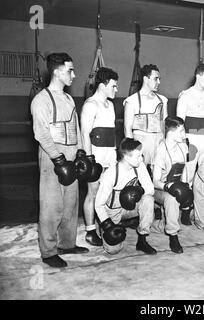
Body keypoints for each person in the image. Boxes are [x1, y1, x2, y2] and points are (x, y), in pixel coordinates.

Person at [30, 52, 89, 268]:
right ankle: (48, 251)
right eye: (70, 70)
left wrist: (80, 151)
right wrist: (57, 159)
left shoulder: (68, 98)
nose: (74, 74)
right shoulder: (41, 100)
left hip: (71, 153)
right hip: (52, 156)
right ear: (57, 71)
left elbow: (76, 127)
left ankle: (67, 243)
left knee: (70, 203)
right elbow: (41, 133)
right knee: (51, 205)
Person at [94, 138, 157, 255]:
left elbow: (151, 188)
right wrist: (107, 224)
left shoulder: (139, 166)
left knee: (148, 199)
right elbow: (98, 205)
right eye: (138, 156)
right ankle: (106, 225)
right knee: (113, 250)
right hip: (113, 211)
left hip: (131, 208)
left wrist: (140, 190)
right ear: (127, 157)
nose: (141, 159)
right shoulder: (111, 174)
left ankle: (142, 240)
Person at [80, 67, 119, 246]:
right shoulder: (90, 105)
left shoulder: (110, 105)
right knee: (93, 194)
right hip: (95, 156)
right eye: (113, 86)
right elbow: (85, 134)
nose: (116, 90)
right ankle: (90, 231)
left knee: (108, 192)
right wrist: (89, 160)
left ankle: (106, 224)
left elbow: (111, 133)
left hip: (110, 154)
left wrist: (115, 155)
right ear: (103, 85)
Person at [152, 117, 196, 254]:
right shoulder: (160, 150)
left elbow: (183, 170)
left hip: (175, 186)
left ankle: (161, 223)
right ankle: (173, 235)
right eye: (182, 131)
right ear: (171, 133)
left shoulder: (183, 146)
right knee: (171, 200)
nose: (185, 135)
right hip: (159, 188)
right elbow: (155, 181)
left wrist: (186, 187)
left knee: (187, 192)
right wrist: (168, 187)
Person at [176, 63, 204, 184]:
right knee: (188, 172)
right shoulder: (186, 95)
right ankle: (184, 200)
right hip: (191, 138)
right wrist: (182, 142)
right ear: (197, 76)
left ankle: (201, 201)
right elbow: (179, 122)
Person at [123, 64, 168, 173]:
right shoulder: (131, 101)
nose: (159, 82)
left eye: (159, 79)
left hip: (159, 142)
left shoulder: (162, 100)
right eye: (156, 79)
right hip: (140, 143)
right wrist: (132, 151)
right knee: (139, 177)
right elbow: (127, 128)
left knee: (159, 177)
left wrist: (166, 145)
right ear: (145, 78)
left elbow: (165, 125)